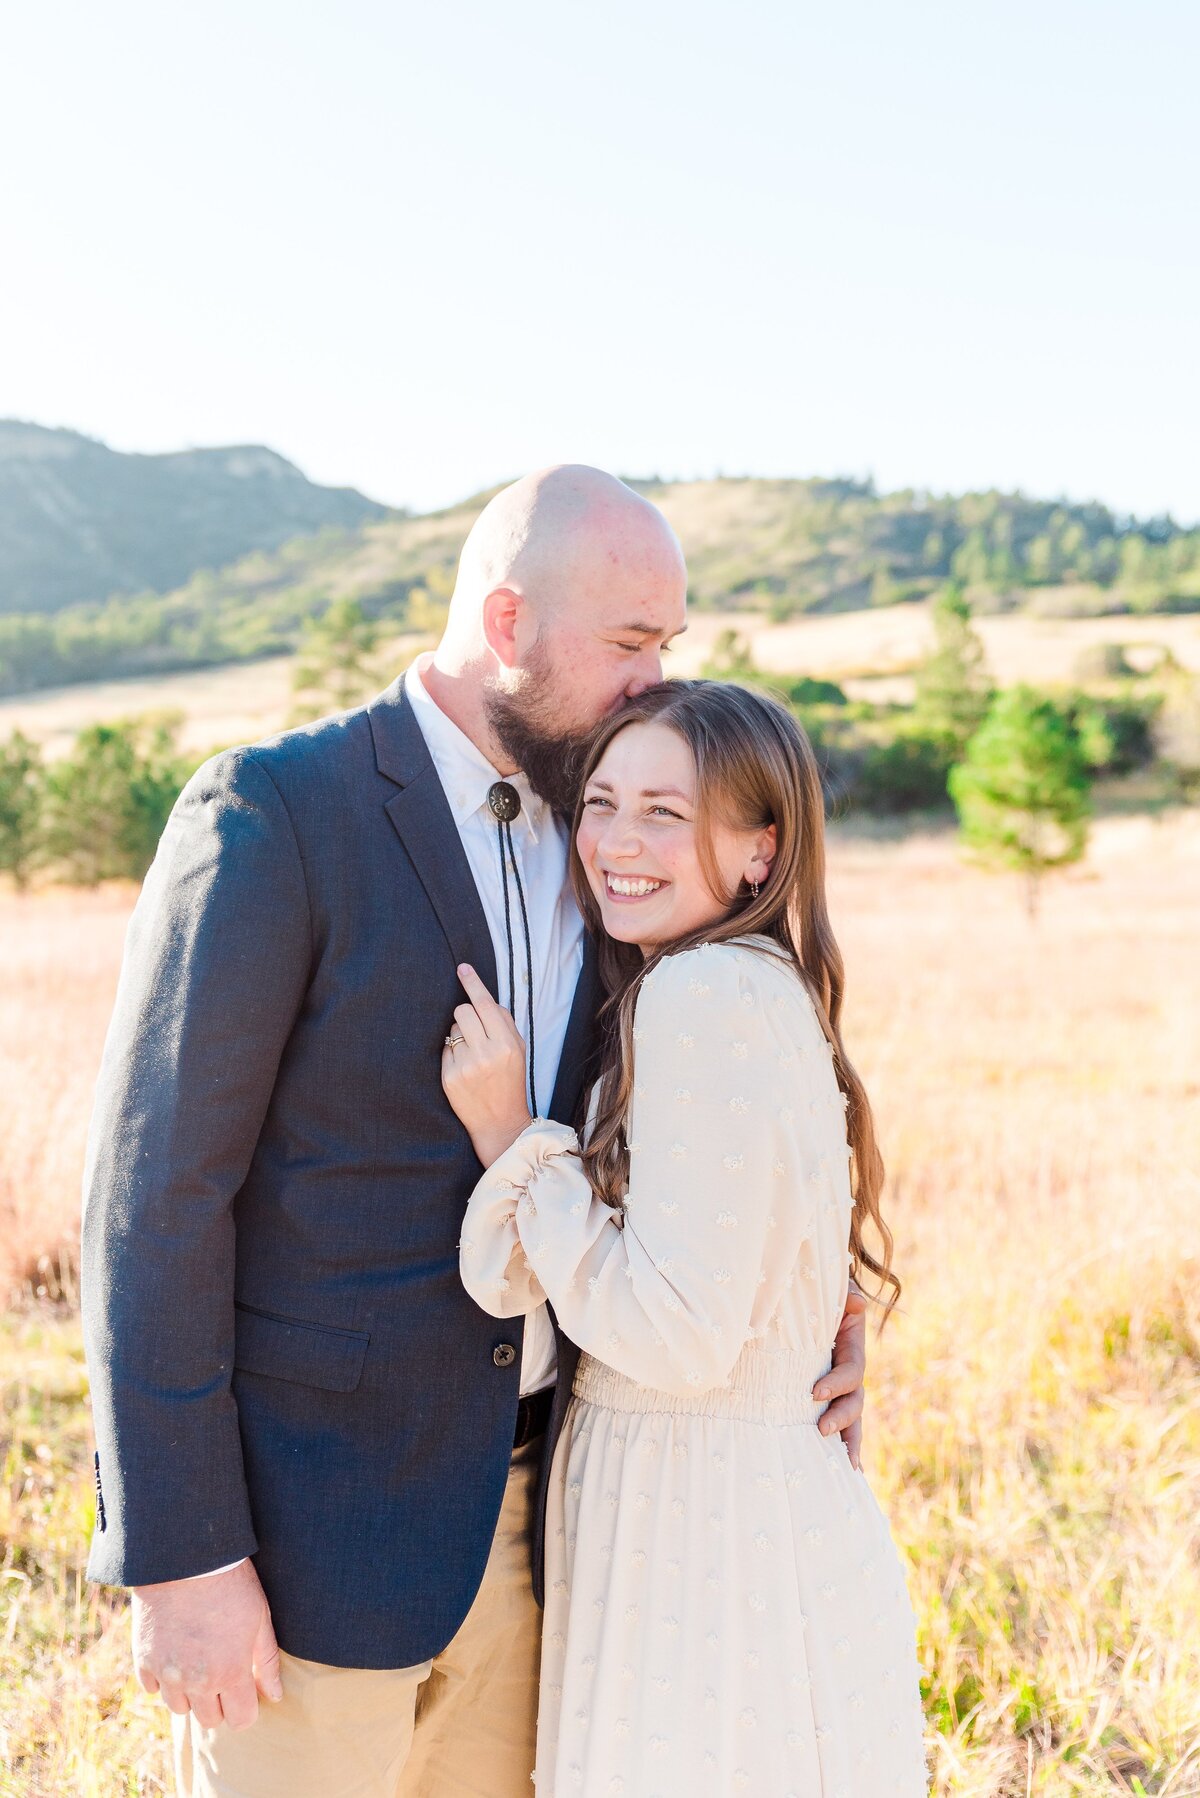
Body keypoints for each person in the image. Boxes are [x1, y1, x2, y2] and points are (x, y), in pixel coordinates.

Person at [81, 466, 870, 1798]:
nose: (651, 682)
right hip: (304, 1556)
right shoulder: (278, 810)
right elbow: (152, 1201)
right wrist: (184, 1555)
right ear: (506, 621)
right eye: (628, 644)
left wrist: (810, 1304)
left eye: (666, 647)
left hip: (552, 1534)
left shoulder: (617, 836)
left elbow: (714, 1123)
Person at [446, 679, 927, 1796]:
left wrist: (518, 1140)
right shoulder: (754, 985)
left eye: (666, 812)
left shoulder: (699, 995)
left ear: (761, 849)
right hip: (737, 1507)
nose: (616, 841)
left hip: (700, 1533)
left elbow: (678, 1333)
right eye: (602, 802)